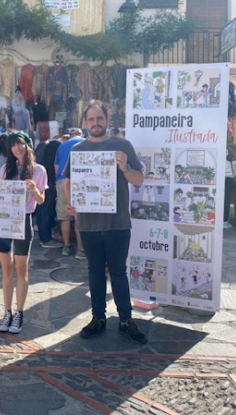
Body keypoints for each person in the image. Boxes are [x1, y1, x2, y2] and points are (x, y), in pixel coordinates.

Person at [64, 100, 147, 344]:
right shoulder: (77, 150)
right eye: (91, 119)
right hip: (88, 224)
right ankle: (98, 317)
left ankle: (126, 319)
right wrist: (72, 204)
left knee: (119, 272)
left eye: (99, 118)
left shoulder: (122, 146)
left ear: (107, 120)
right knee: (95, 272)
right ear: (84, 122)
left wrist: (123, 168)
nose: (96, 123)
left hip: (118, 222)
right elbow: (68, 181)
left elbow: (139, 179)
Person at [0, 132, 47, 334]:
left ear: (28, 145)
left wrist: (35, 190)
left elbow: (41, 200)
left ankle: (19, 312)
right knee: (6, 269)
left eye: (21, 144)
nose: (17, 148)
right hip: (3, 220)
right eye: (13, 145)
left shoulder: (38, 170)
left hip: (23, 220)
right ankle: (7, 312)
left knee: (21, 270)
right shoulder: (5, 169)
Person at [53, 128, 86, 258]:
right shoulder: (86, 142)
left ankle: (66, 247)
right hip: (80, 180)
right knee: (78, 215)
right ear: (81, 134)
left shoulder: (61, 146)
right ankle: (80, 249)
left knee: (64, 216)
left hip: (62, 180)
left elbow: (56, 168)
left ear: (70, 135)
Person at [36, 136, 62, 248]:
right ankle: (46, 239)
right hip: (50, 182)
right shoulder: (56, 147)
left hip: (40, 182)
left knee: (41, 210)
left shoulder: (41, 147)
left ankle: (44, 235)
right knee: (47, 210)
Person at [223, 144, 236, 229]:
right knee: (227, 201)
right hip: (230, 180)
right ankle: (225, 222)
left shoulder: (221, 157)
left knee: (220, 201)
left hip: (221, 180)